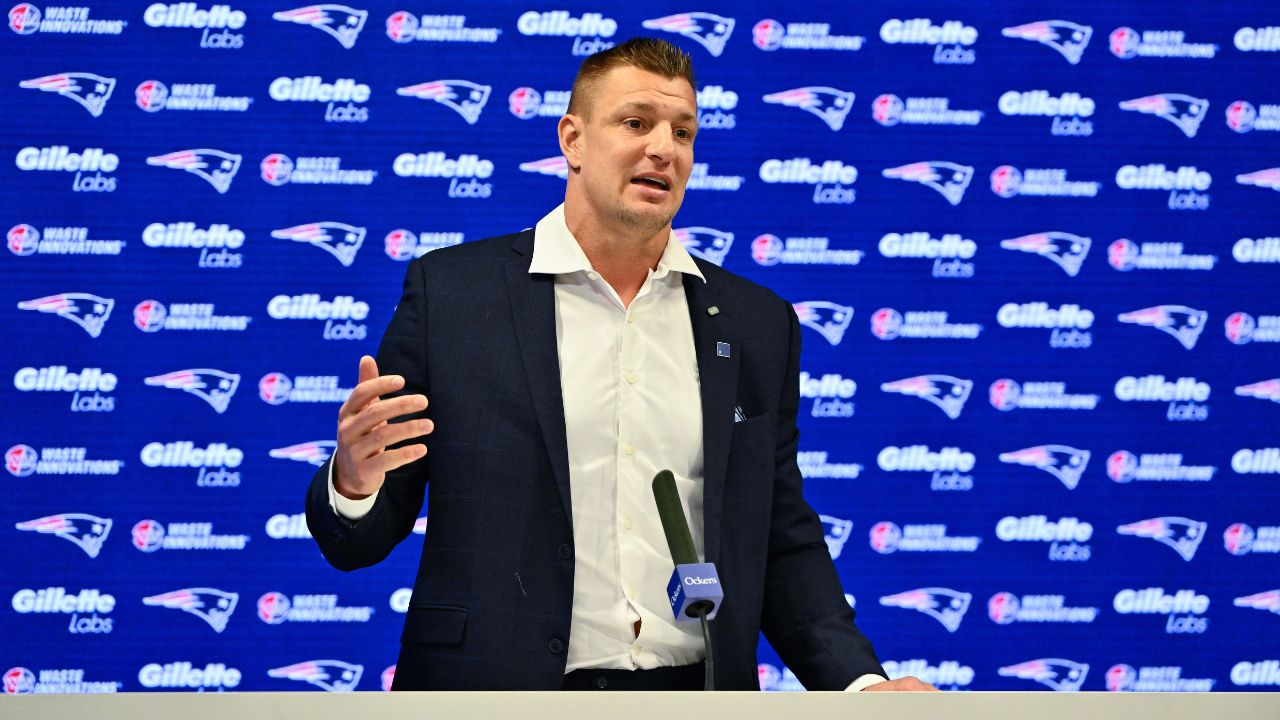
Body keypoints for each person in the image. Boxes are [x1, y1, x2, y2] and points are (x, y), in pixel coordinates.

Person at [305, 37, 935, 692]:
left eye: (683, 132)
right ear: (572, 140)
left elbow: (778, 536)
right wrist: (354, 481)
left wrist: (863, 685)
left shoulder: (756, 324)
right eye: (636, 123)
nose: (664, 148)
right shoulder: (453, 297)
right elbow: (357, 541)